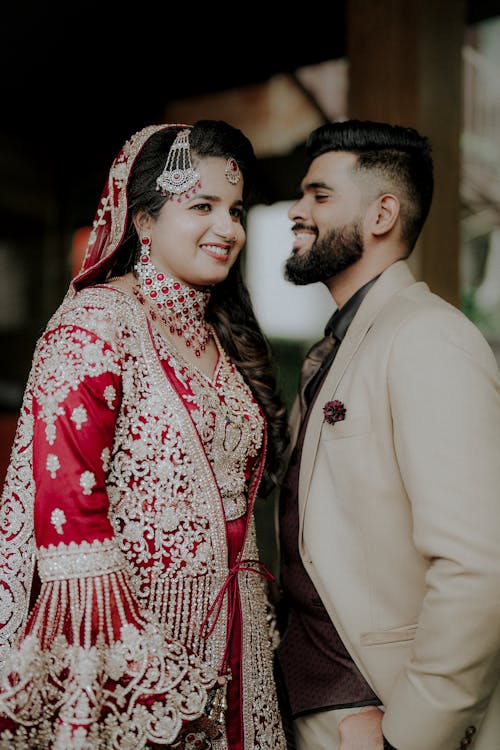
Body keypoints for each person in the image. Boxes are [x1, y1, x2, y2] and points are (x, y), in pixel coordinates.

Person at [0, 120, 290, 749]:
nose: (228, 229)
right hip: (132, 640)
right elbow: (70, 513)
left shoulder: (220, 334)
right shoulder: (98, 324)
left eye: (236, 210)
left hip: (238, 641)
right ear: (144, 221)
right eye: (202, 206)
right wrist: (142, 672)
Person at [276, 119, 500, 750]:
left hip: (378, 718)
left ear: (382, 214)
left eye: (320, 196)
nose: (297, 210)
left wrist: (412, 736)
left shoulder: (429, 336)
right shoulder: (342, 344)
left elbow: (478, 565)